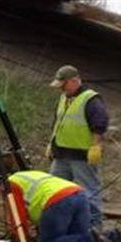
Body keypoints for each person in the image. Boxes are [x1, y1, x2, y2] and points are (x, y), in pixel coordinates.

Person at [47, 65, 108, 228]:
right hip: (61, 154)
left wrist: (95, 147)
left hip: (81, 155)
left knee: (88, 191)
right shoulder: (64, 98)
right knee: (55, 190)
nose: (61, 89)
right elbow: (58, 123)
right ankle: (61, 224)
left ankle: (94, 227)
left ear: (74, 81)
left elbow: (99, 124)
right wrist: (51, 144)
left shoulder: (91, 99)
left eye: (63, 85)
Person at [4, 170, 105, 242]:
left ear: (0, 185)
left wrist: (22, 239)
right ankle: (111, 236)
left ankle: (92, 239)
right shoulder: (29, 175)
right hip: (79, 194)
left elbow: (18, 218)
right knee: (75, 238)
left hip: (58, 201)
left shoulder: (10, 184)